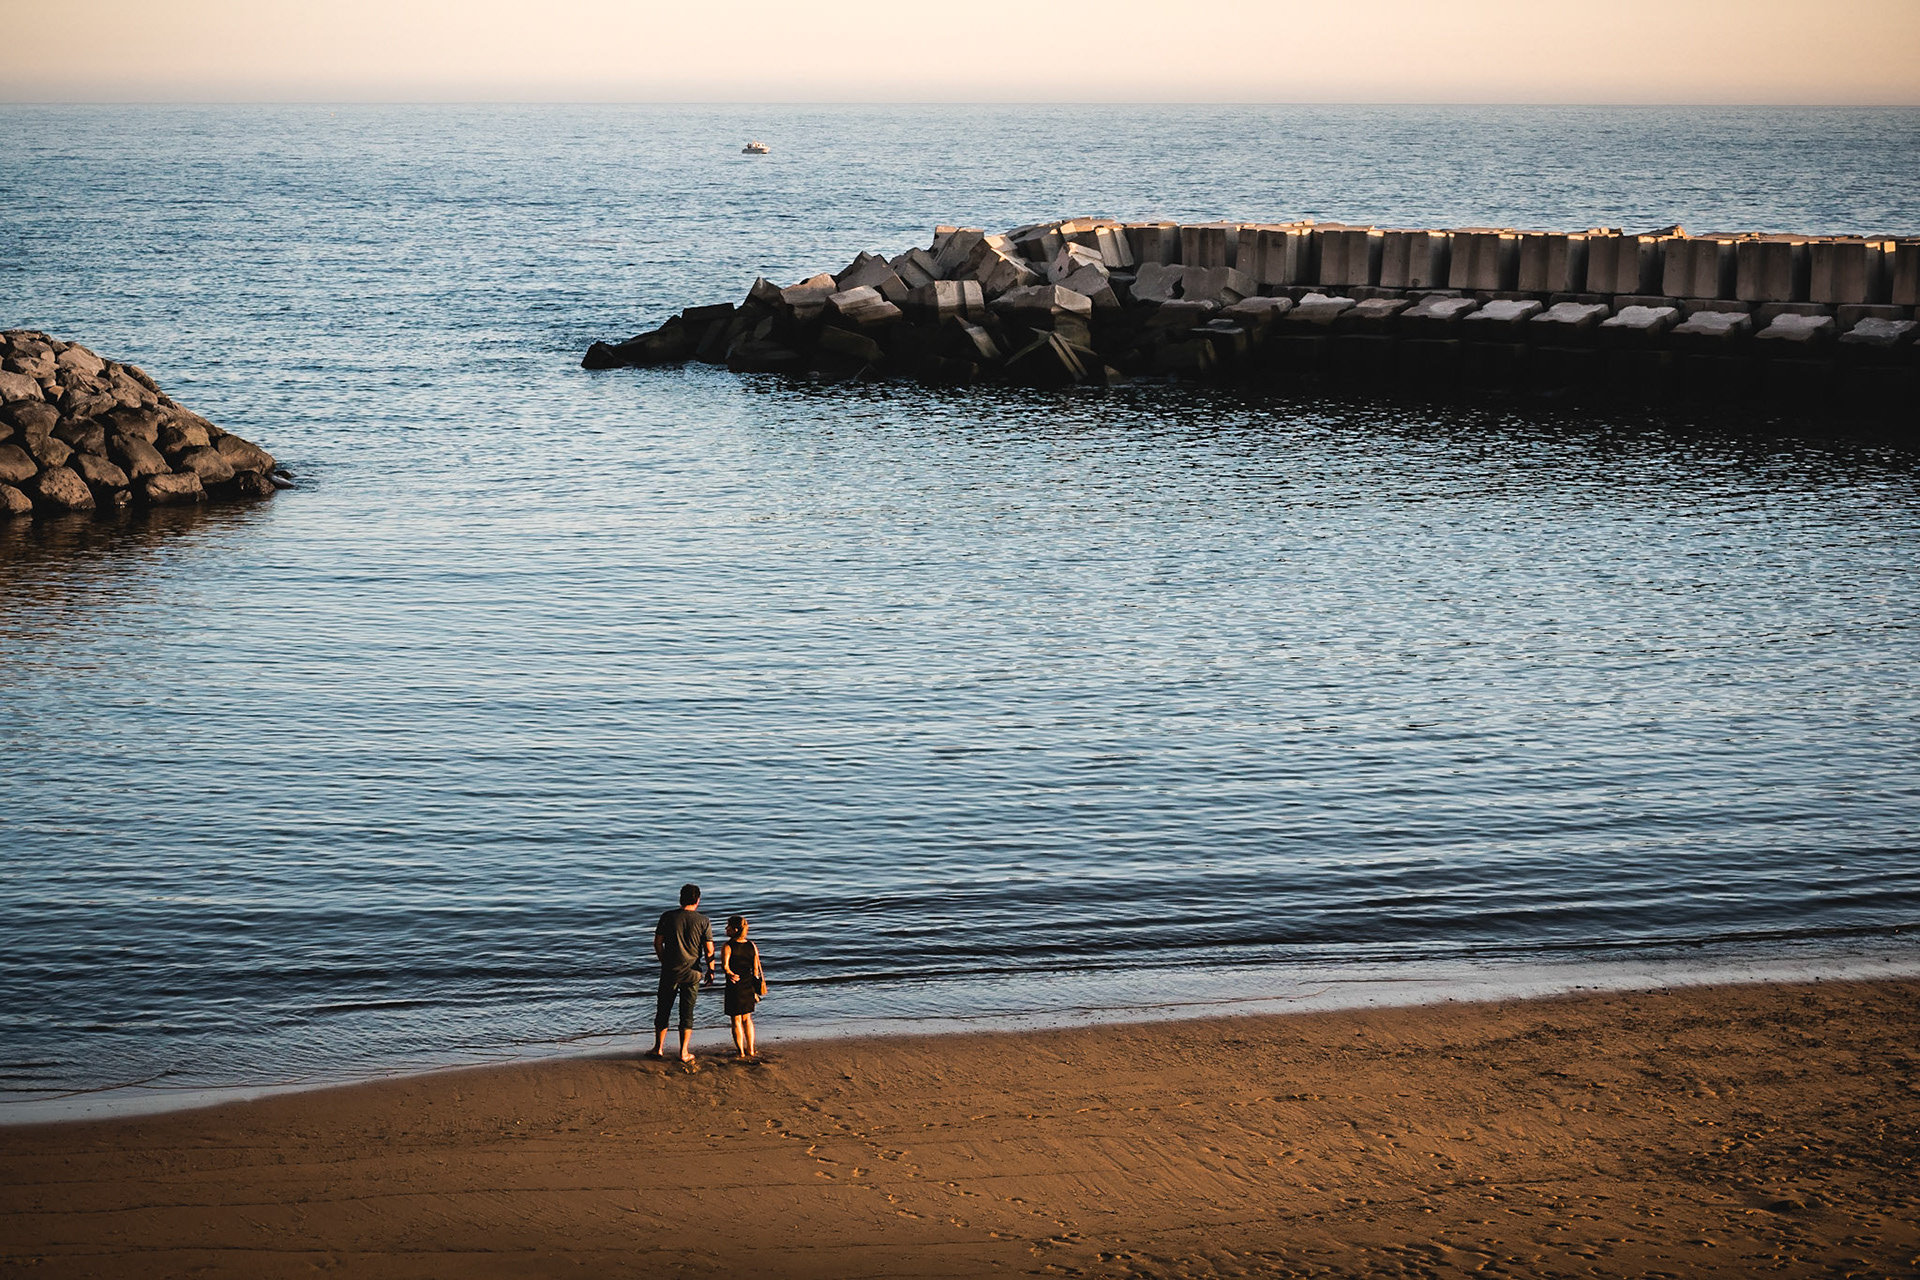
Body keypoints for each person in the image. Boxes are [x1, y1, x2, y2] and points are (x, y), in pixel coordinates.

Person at [650, 883, 713, 1064]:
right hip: (692, 973)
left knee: (663, 1009)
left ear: (680, 898)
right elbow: (709, 950)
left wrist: (664, 961)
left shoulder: (668, 917)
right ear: (698, 900)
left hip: (670, 971)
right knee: (687, 1012)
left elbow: (657, 943)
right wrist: (711, 969)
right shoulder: (703, 921)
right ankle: (684, 1052)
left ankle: (658, 1048)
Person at [720, 915, 764, 1060]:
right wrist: (756, 987)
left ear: (735, 929)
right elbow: (756, 968)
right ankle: (751, 1049)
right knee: (747, 1019)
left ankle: (741, 1052)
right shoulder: (751, 945)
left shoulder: (728, 946)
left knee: (736, 1020)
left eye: (728, 927)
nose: (726, 929)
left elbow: (725, 966)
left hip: (735, 986)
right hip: (748, 985)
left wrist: (730, 973)